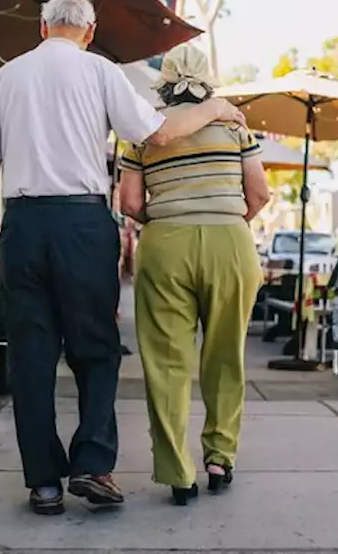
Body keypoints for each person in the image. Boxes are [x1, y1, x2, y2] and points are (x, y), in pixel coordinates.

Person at [0, 0, 246, 516]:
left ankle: (44, 484)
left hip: (23, 224)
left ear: (42, 29)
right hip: (82, 223)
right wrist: (214, 108)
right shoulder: (102, 72)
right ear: (89, 33)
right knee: (96, 349)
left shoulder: (5, 78)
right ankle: (92, 465)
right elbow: (158, 134)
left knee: (31, 359)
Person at [117, 44, 271, 506]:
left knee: (166, 362)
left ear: (163, 80)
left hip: (165, 244)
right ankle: (220, 457)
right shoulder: (233, 127)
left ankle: (178, 473)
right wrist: (222, 216)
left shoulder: (144, 133)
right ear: (208, 80)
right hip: (230, 242)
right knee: (226, 356)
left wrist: (170, 217)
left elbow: (128, 203)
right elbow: (259, 194)